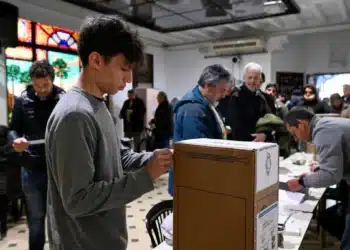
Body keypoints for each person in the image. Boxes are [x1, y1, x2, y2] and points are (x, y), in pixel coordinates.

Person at [45, 15, 173, 250]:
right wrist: (145, 176)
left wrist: (156, 159)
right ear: (95, 60)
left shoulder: (98, 105)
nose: (128, 79)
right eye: (123, 68)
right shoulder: (75, 114)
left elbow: (119, 158)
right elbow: (78, 200)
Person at [9, 60, 65, 250]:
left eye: (46, 85)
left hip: (56, 168)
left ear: (53, 80)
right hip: (31, 168)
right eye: (37, 85)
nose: (41, 89)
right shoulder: (22, 100)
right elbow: (13, 130)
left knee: (58, 220)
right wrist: (15, 141)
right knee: (35, 219)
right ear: (32, 81)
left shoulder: (62, 99)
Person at [284, 107, 350, 250]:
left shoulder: (323, 131)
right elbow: (338, 167)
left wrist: (302, 182)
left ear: (301, 124)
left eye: (294, 133)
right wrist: (319, 171)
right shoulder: (325, 124)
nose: (296, 138)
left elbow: (331, 175)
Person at [168, 64, 231, 196]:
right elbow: (198, 152)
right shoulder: (193, 110)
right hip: (192, 183)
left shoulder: (205, 103)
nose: (224, 95)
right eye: (222, 90)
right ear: (208, 85)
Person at [222, 62, 270, 142]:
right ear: (244, 77)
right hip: (242, 142)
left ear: (260, 79)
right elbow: (235, 124)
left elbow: (268, 118)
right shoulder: (236, 95)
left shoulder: (261, 97)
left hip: (260, 141)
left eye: (256, 78)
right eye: (250, 77)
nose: (252, 81)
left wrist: (264, 134)